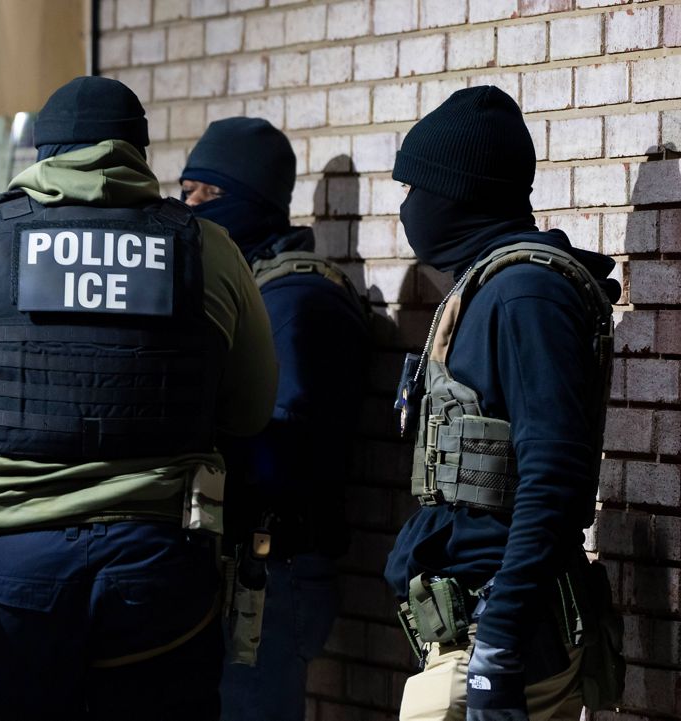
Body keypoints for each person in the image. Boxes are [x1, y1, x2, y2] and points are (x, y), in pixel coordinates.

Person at [0, 76, 279, 721]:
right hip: (159, 564)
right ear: (138, 150)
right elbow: (250, 410)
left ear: (41, 150)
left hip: (8, 564)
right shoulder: (211, 252)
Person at [385, 86, 624, 721]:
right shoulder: (488, 287)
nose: (406, 208)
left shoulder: (524, 296)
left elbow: (551, 475)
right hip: (476, 629)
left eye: (414, 189)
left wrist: (499, 643)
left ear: (458, 192)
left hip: (503, 634)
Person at [179, 118, 371, 721]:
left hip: (271, 571)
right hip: (237, 565)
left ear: (251, 203)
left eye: (203, 196)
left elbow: (279, 453)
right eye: (184, 192)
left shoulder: (298, 302)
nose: (187, 209)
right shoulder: (249, 288)